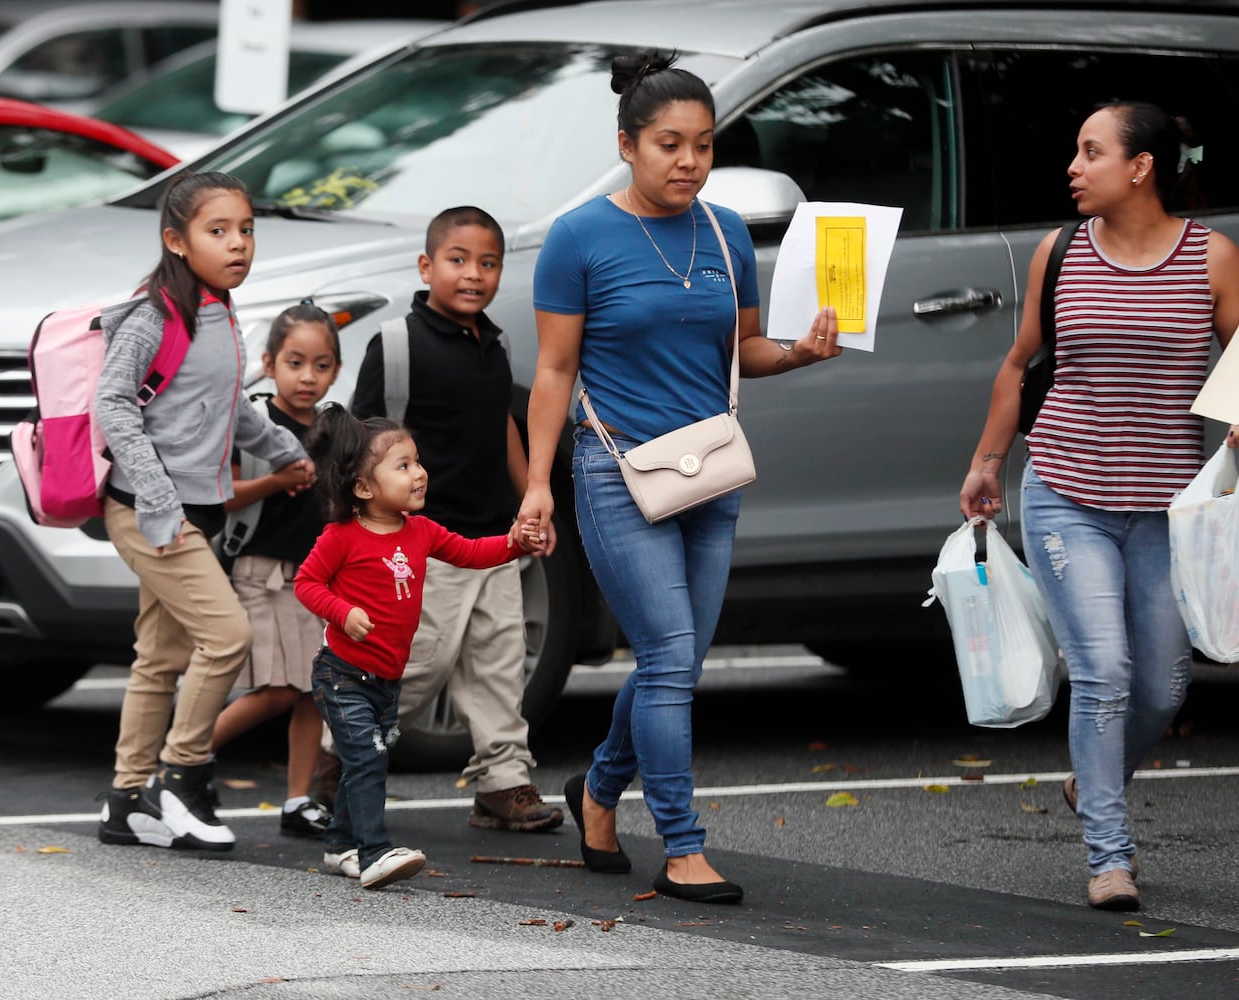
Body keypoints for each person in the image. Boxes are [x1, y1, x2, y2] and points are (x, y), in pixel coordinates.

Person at [516, 52, 842, 903]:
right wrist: (538, 484)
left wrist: (800, 353)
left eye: (702, 144)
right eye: (668, 144)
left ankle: (595, 789)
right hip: (616, 468)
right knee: (666, 654)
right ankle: (682, 842)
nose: (688, 161)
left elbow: (748, 350)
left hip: (712, 470)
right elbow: (553, 372)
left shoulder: (726, 230)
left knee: (678, 663)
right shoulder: (580, 235)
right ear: (627, 144)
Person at [959, 101, 1238, 911]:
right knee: (1104, 674)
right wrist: (986, 461)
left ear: (1140, 167)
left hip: (1164, 509)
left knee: (1162, 685)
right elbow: (1019, 366)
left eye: (1090, 152)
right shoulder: (1061, 251)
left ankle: (1095, 780)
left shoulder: (1212, 260)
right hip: (1065, 491)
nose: (1073, 168)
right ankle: (1109, 857)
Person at [94, 172, 314, 853]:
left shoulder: (220, 314)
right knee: (226, 636)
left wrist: (284, 450)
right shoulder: (153, 316)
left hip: (192, 512)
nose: (237, 243)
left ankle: (126, 800)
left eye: (245, 229)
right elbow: (112, 405)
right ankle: (180, 776)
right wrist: (160, 499)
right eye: (217, 231)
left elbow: (224, 409)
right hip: (147, 513)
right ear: (176, 241)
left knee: (158, 660)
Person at [335, 205, 562, 833]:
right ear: (426, 266)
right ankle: (340, 758)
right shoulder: (398, 346)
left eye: (488, 263)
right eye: (459, 261)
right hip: (424, 544)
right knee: (417, 665)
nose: (474, 275)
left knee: (499, 661)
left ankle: (502, 781)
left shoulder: (496, 343)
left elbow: (503, 430)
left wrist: (531, 500)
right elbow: (361, 444)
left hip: (494, 538)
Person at [293, 405, 544, 890]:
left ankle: (339, 845)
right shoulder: (341, 538)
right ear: (364, 489)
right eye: (403, 466)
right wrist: (343, 612)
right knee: (368, 759)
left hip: (386, 681)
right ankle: (373, 852)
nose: (420, 473)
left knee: (361, 760)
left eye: (417, 461)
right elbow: (306, 583)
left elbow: (471, 553)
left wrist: (513, 543)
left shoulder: (421, 532)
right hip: (342, 675)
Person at [210, 302, 342, 839]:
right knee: (274, 690)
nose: (307, 377)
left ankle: (297, 801)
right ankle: (180, 760)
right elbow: (224, 495)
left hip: (312, 578)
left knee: (312, 689)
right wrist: (275, 480)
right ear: (268, 362)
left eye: (321, 364)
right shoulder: (255, 421)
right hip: (259, 572)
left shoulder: (337, 428)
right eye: (294, 362)